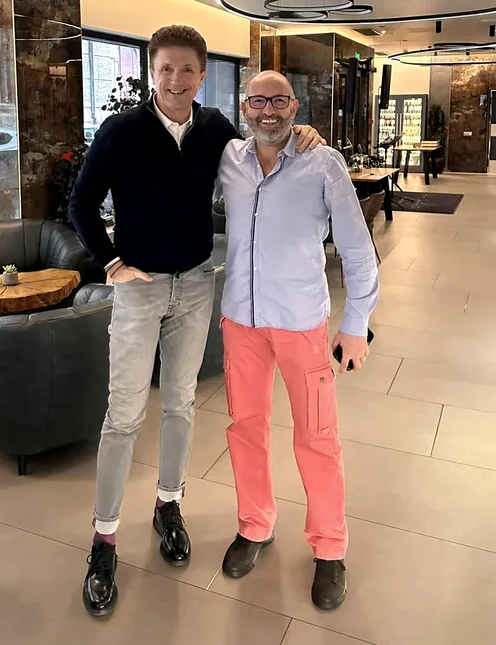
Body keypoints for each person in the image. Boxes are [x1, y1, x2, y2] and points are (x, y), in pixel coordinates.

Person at [68, 26, 324, 619]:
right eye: (166, 68)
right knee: (124, 414)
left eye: (187, 69)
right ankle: (104, 539)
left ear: (203, 75)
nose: (176, 79)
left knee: (181, 403)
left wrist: (300, 134)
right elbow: (81, 203)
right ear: (151, 71)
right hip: (139, 289)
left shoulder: (214, 130)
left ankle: (169, 505)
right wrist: (111, 263)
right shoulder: (121, 130)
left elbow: (261, 150)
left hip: (194, 285)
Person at [214, 70, 379, 611]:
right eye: (258, 101)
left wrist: (356, 322)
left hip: (302, 323)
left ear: (294, 107)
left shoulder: (323, 163)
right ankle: (255, 524)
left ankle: (329, 546)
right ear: (244, 107)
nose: (268, 110)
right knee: (246, 428)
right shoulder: (229, 158)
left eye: (279, 101)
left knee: (317, 436)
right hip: (241, 322)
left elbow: (357, 249)